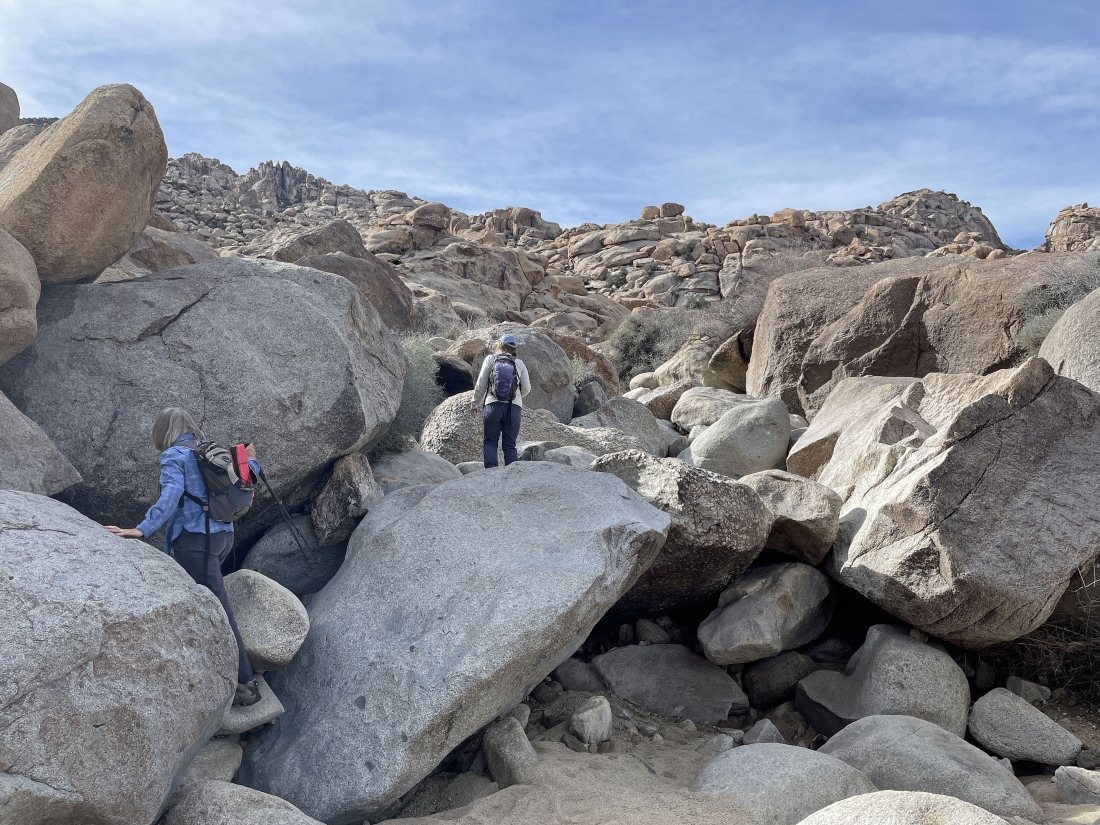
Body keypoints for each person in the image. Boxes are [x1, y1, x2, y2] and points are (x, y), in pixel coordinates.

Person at [104, 407, 262, 707]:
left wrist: (142, 529)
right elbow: (245, 479)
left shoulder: (173, 456)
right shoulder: (209, 451)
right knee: (208, 605)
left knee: (220, 610)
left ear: (162, 432)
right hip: (223, 537)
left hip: (196, 541)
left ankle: (245, 683)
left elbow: (171, 494)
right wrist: (252, 457)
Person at [471, 333, 532, 467]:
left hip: (492, 406)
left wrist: (474, 403)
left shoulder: (490, 359)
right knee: (509, 445)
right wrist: (515, 397)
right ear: (514, 348)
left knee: (490, 443)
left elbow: (481, 384)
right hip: (513, 408)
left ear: (500, 345)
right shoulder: (519, 363)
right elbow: (527, 388)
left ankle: (491, 474)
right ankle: (512, 477)